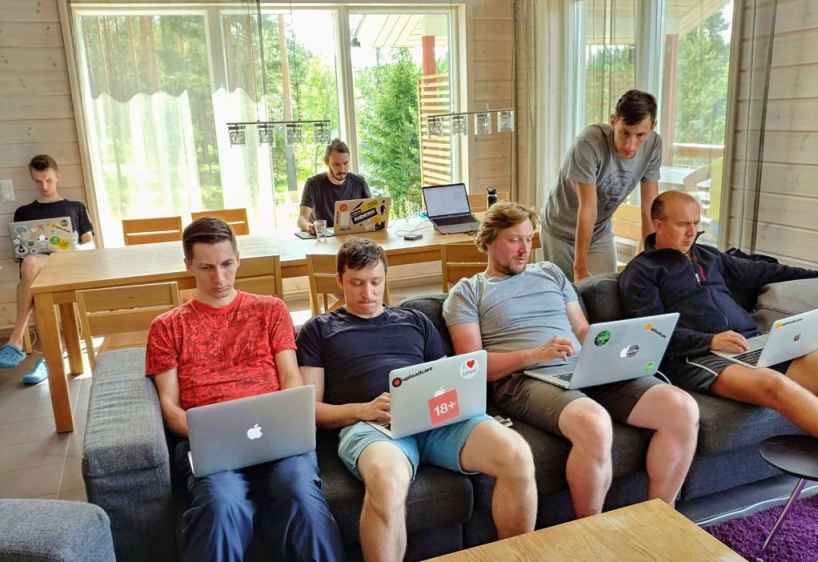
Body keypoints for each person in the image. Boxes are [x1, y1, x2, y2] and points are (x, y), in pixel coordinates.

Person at [444, 202, 699, 519]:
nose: (524, 249)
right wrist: (535, 354)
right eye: (514, 240)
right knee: (594, 423)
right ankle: (590, 531)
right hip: (526, 379)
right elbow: (471, 367)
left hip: (583, 366)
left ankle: (662, 518)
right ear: (489, 240)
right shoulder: (468, 293)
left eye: (529, 238)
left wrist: (616, 345)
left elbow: (581, 330)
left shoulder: (550, 273)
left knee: (681, 408)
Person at [297, 238, 537, 562]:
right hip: (373, 426)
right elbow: (310, 410)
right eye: (356, 283)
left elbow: (447, 376)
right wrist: (362, 410)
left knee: (517, 454)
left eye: (375, 282)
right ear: (339, 280)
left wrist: (461, 399)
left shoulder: (415, 320)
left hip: (435, 417)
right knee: (386, 482)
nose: (368, 293)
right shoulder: (319, 329)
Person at [145, 218, 343, 562]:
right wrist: (213, 433)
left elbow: (290, 378)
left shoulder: (270, 310)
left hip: (276, 436)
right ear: (189, 265)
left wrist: (287, 418)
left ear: (238, 258)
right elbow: (171, 408)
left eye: (226, 264)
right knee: (222, 504)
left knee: (300, 493)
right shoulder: (167, 327)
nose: (219, 278)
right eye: (206, 268)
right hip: (212, 445)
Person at [619, 190, 818, 438]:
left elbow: (765, 271)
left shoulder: (709, 257)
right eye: (683, 224)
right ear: (658, 225)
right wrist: (709, 341)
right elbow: (650, 333)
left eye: (696, 223)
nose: (692, 232)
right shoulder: (642, 272)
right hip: (699, 356)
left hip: (749, 343)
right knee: (773, 385)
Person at [542, 89, 662, 282]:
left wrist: (652, 260)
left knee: (605, 293)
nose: (630, 145)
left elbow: (650, 208)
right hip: (560, 230)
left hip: (599, 232)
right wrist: (580, 268)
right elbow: (588, 208)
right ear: (613, 121)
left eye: (640, 135)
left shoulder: (654, 145)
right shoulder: (589, 143)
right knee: (567, 295)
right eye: (625, 133)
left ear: (653, 127)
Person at [0, 155, 95, 384]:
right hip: (36, 275)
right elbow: (20, 254)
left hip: (68, 267)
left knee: (31, 269)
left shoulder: (76, 207)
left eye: (48, 180)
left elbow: (90, 244)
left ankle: (16, 340)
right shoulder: (24, 212)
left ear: (57, 176)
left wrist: (73, 247)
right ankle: (51, 360)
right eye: (38, 181)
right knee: (32, 274)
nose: (44, 186)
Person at [298, 138, 371, 233]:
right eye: (336, 164)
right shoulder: (313, 184)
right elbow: (302, 219)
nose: (342, 169)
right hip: (323, 237)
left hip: (352, 237)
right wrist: (309, 227)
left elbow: (371, 213)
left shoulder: (359, 182)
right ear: (327, 163)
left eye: (346, 163)